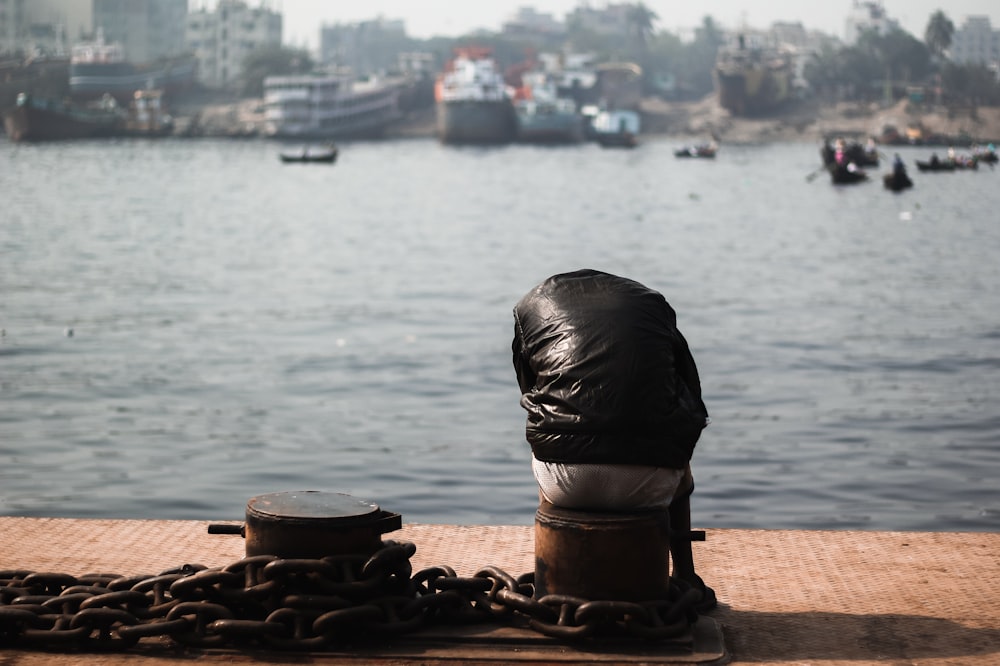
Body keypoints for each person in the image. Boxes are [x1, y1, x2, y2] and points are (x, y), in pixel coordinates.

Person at [512, 269, 716, 611]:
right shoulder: (657, 310)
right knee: (675, 433)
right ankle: (685, 573)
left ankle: (548, 572)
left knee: (549, 425)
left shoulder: (529, 310)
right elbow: (691, 393)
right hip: (652, 482)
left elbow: (529, 390)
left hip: (563, 484)